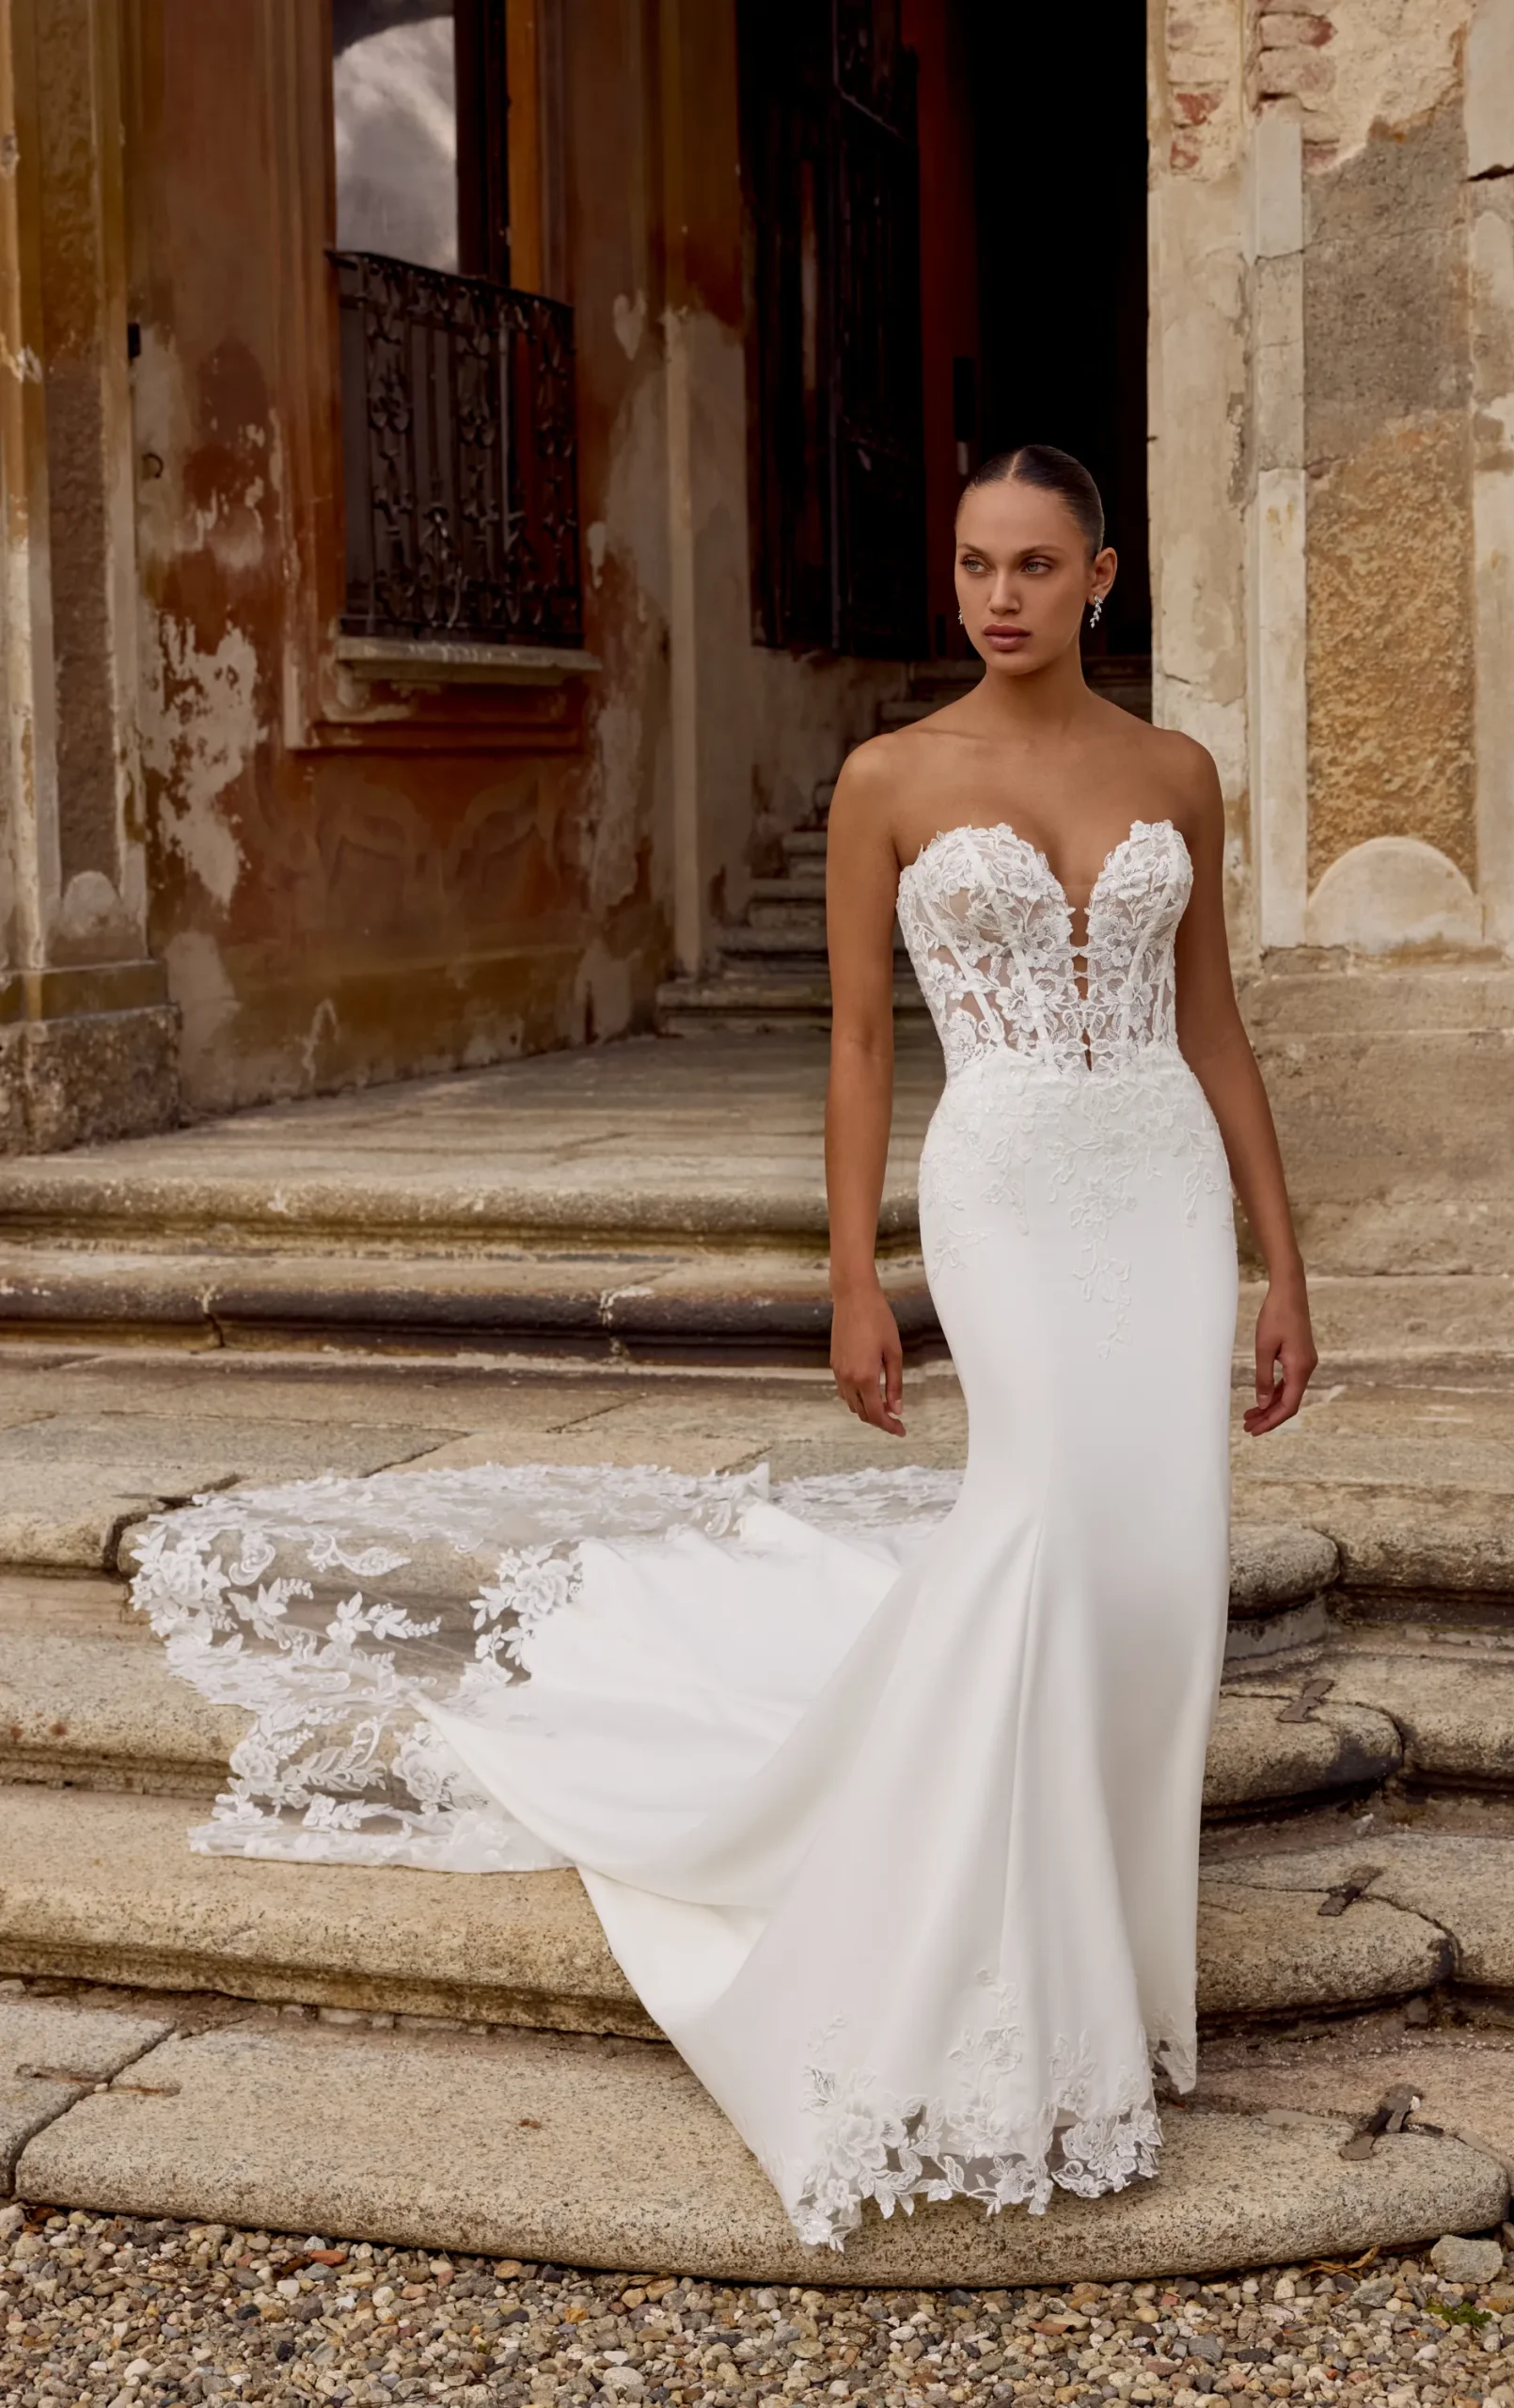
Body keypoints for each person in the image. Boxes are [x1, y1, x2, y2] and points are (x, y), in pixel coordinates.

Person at [130, 445, 1315, 2254]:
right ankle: (1000, 1974)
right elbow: (854, 1043)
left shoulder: (1176, 776)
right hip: (1001, 1185)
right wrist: (856, 1278)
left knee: (1161, 1576)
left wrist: (1279, 1265)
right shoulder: (887, 779)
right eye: (972, 562)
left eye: (1033, 564)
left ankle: (1126, 1969)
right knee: (1044, 1531)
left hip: (1157, 1185)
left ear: (1104, 578)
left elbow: (1213, 1026)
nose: (996, 594)